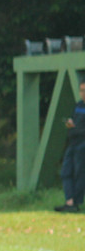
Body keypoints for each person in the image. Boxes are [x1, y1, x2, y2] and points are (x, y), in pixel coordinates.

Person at [54, 80, 85, 213]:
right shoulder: (78, 105)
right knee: (65, 172)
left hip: (83, 144)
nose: (83, 93)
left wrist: (76, 128)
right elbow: (75, 122)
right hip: (73, 143)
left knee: (79, 173)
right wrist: (70, 124)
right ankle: (69, 202)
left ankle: (76, 203)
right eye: (81, 90)